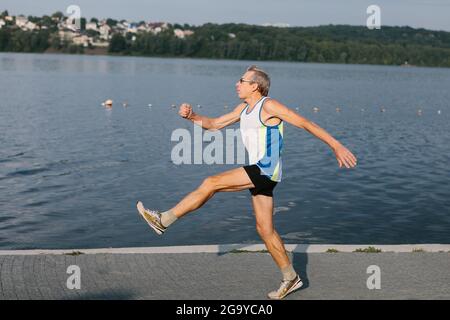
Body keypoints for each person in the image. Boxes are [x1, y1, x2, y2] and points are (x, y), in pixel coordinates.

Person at [137, 65, 357, 299]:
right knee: (265, 230)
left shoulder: (269, 105)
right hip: (264, 175)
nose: (237, 84)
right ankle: (291, 277)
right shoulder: (244, 108)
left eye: (242, 81)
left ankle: (164, 220)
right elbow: (215, 124)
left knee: (211, 182)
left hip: (265, 169)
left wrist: (336, 145)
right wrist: (192, 116)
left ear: (255, 86)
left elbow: (305, 123)